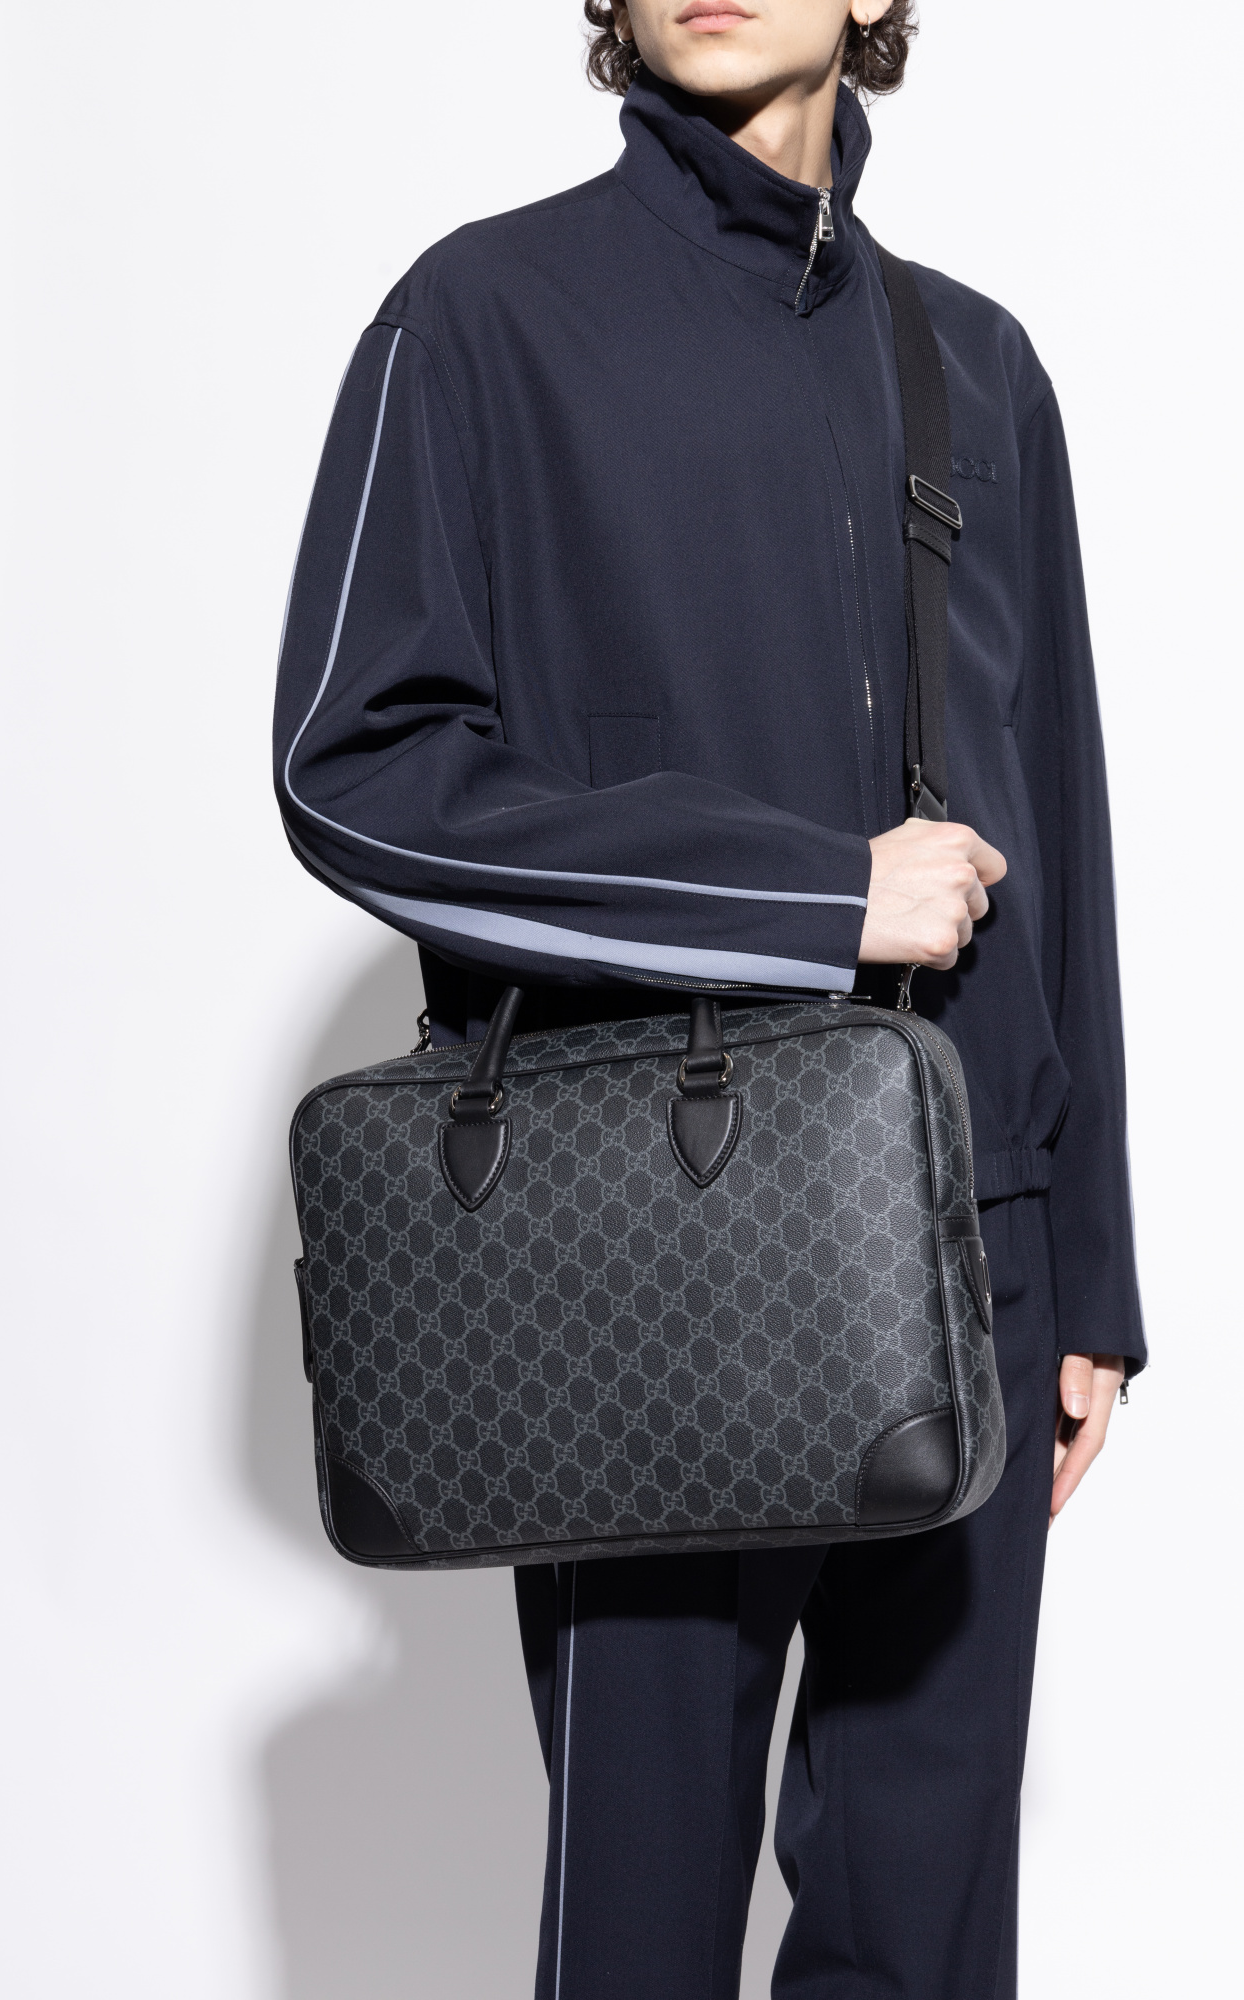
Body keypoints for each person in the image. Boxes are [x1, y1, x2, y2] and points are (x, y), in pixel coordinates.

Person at [272, 2, 1145, 1992]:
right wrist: (810, 894)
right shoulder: (479, 321)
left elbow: (1058, 812)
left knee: (923, 1927)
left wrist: (1087, 1268)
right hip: (650, 1248)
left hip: (971, 1241)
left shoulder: (977, 365)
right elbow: (357, 773)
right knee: (641, 1930)